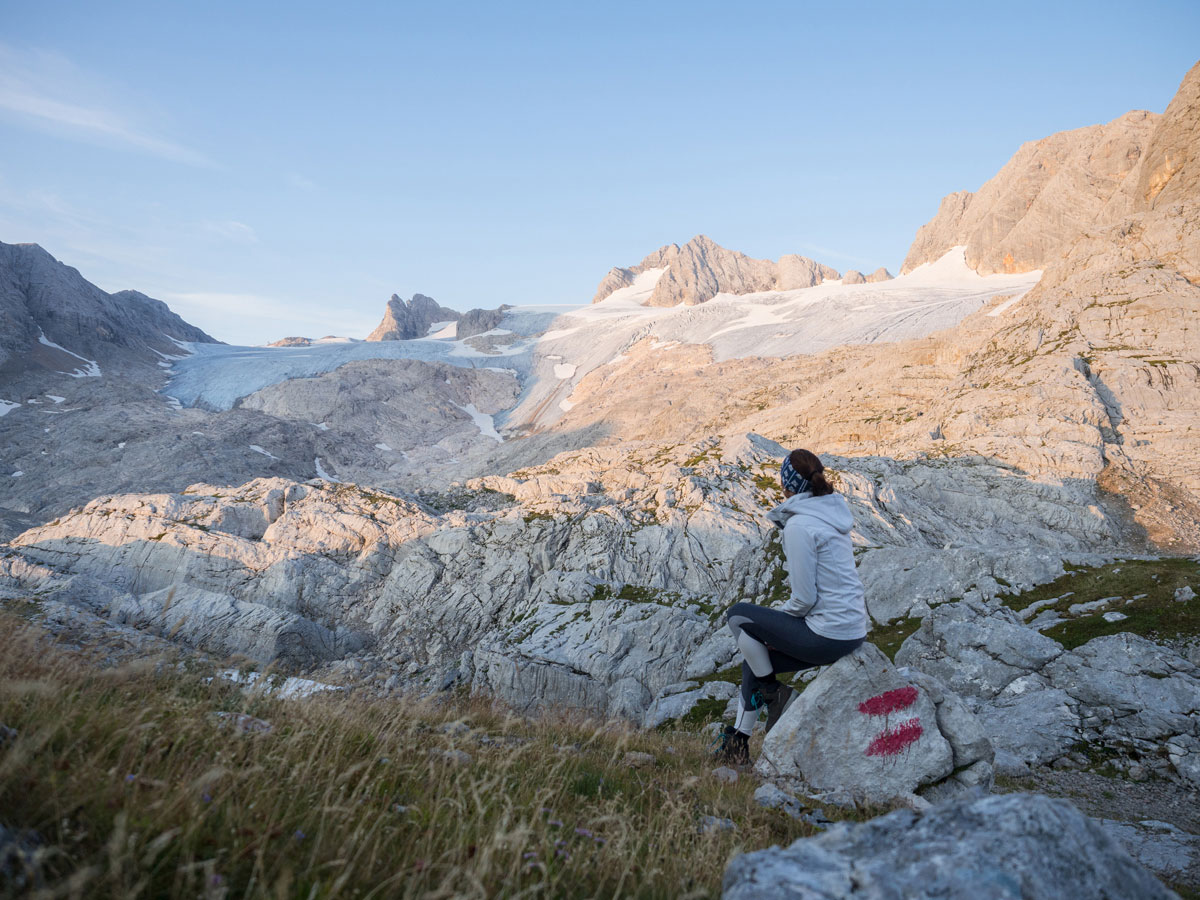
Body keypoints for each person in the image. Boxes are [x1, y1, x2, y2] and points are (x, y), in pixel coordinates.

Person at [715, 448, 868, 765]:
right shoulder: (830, 514)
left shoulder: (800, 526)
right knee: (755, 661)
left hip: (826, 636)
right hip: (852, 632)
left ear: (787, 486)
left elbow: (804, 599)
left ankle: (776, 695)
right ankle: (739, 744)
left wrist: (777, 627)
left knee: (738, 616)